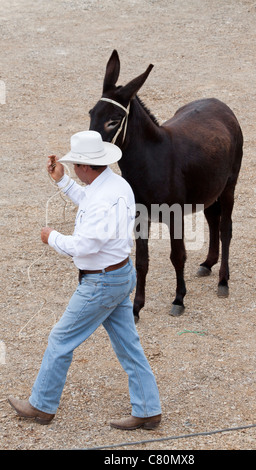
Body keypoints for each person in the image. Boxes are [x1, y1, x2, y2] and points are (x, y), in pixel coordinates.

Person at [8, 130, 161, 430]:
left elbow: (83, 246)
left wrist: (51, 237)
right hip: (120, 275)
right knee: (129, 347)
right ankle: (148, 409)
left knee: (61, 339)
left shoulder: (102, 198)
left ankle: (41, 405)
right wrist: (63, 181)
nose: (75, 168)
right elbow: (87, 199)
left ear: (87, 167)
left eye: (76, 165)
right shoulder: (116, 184)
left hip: (101, 283)